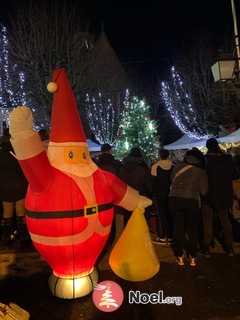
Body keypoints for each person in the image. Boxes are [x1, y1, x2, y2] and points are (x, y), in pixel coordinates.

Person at [199, 138, 240, 257]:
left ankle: (206, 246)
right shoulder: (227, 159)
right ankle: (229, 246)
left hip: (209, 194)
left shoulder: (205, 160)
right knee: (225, 219)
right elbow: (235, 175)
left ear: (207, 147)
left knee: (207, 221)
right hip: (225, 194)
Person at [168, 149, 208, 266]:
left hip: (174, 199)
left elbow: (172, 180)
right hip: (191, 201)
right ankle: (193, 257)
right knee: (192, 229)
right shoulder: (200, 171)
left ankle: (180, 256)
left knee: (178, 227)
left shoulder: (177, 167)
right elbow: (204, 191)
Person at [0, 128, 29, 247]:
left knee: (7, 213)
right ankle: (24, 237)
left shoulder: (0, 153)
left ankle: (6, 237)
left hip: (4, 187)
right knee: (21, 213)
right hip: (21, 185)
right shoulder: (21, 151)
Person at [96, 143, 123, 250]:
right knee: (118, 219)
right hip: (116, 194)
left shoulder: (96, 164)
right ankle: (118, 244)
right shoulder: (117, 164)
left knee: (104, 221)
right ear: (109, 151)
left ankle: (105, 243)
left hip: (101, 196)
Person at [119, 146, 154, 227]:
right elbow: (149, 186)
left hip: (127, 199)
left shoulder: (122, 169)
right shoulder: (143, 169)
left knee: (128, 222)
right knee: (141, 222)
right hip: (141, 198)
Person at [151, 149, 174, 245]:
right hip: (170, 193)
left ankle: (162, 236)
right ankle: (170, 235)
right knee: (170, 214)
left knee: (161, 215)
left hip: (159, 194)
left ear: (159, 155)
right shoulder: (173, 166)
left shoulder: (155, 166)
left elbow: (153, 182)